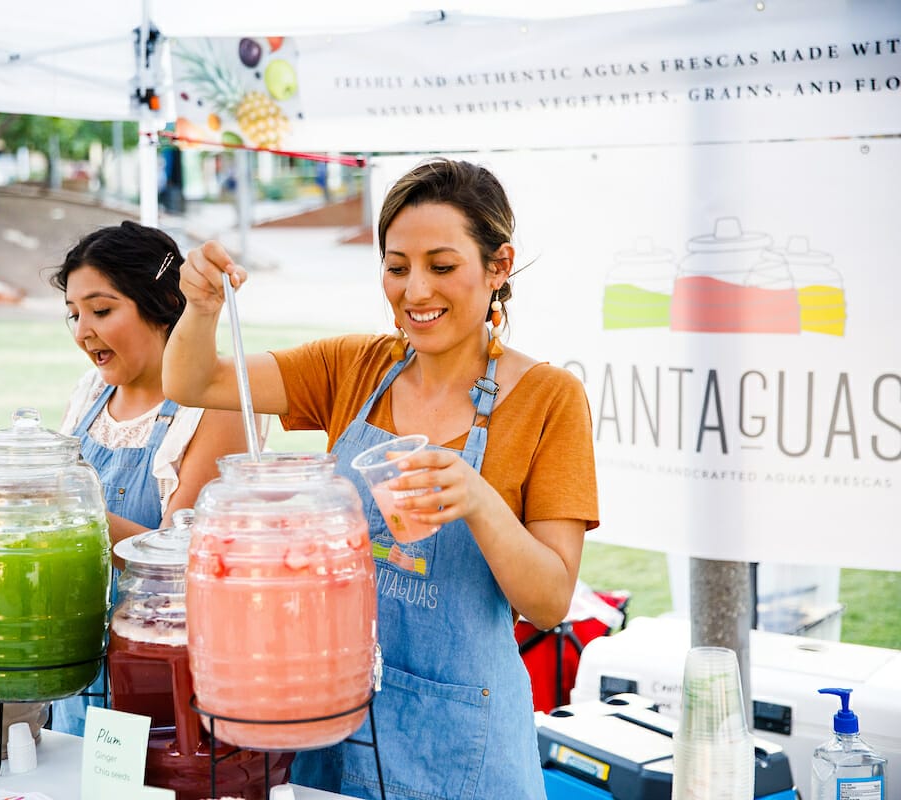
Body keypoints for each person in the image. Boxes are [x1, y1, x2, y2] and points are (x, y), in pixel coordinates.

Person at [162, 158, 599, 800]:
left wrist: (477, 501)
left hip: (463, 742)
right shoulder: (354, 367)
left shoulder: (549, 399)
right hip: (332, 718)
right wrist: (200, 308)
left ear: (498, 266)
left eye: (441, 267)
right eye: (397, 268)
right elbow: (192, 381)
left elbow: (550, 600)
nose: (415, 291)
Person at [0, 220, 253, 736]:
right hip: (72, 664)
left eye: (102, 310)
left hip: (161, 676)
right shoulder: (91, 393)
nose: (84, 331)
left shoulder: (214, 407)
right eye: (74, 314)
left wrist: (52, 501)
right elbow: (43, 502)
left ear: (163, 304)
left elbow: (178, 565)